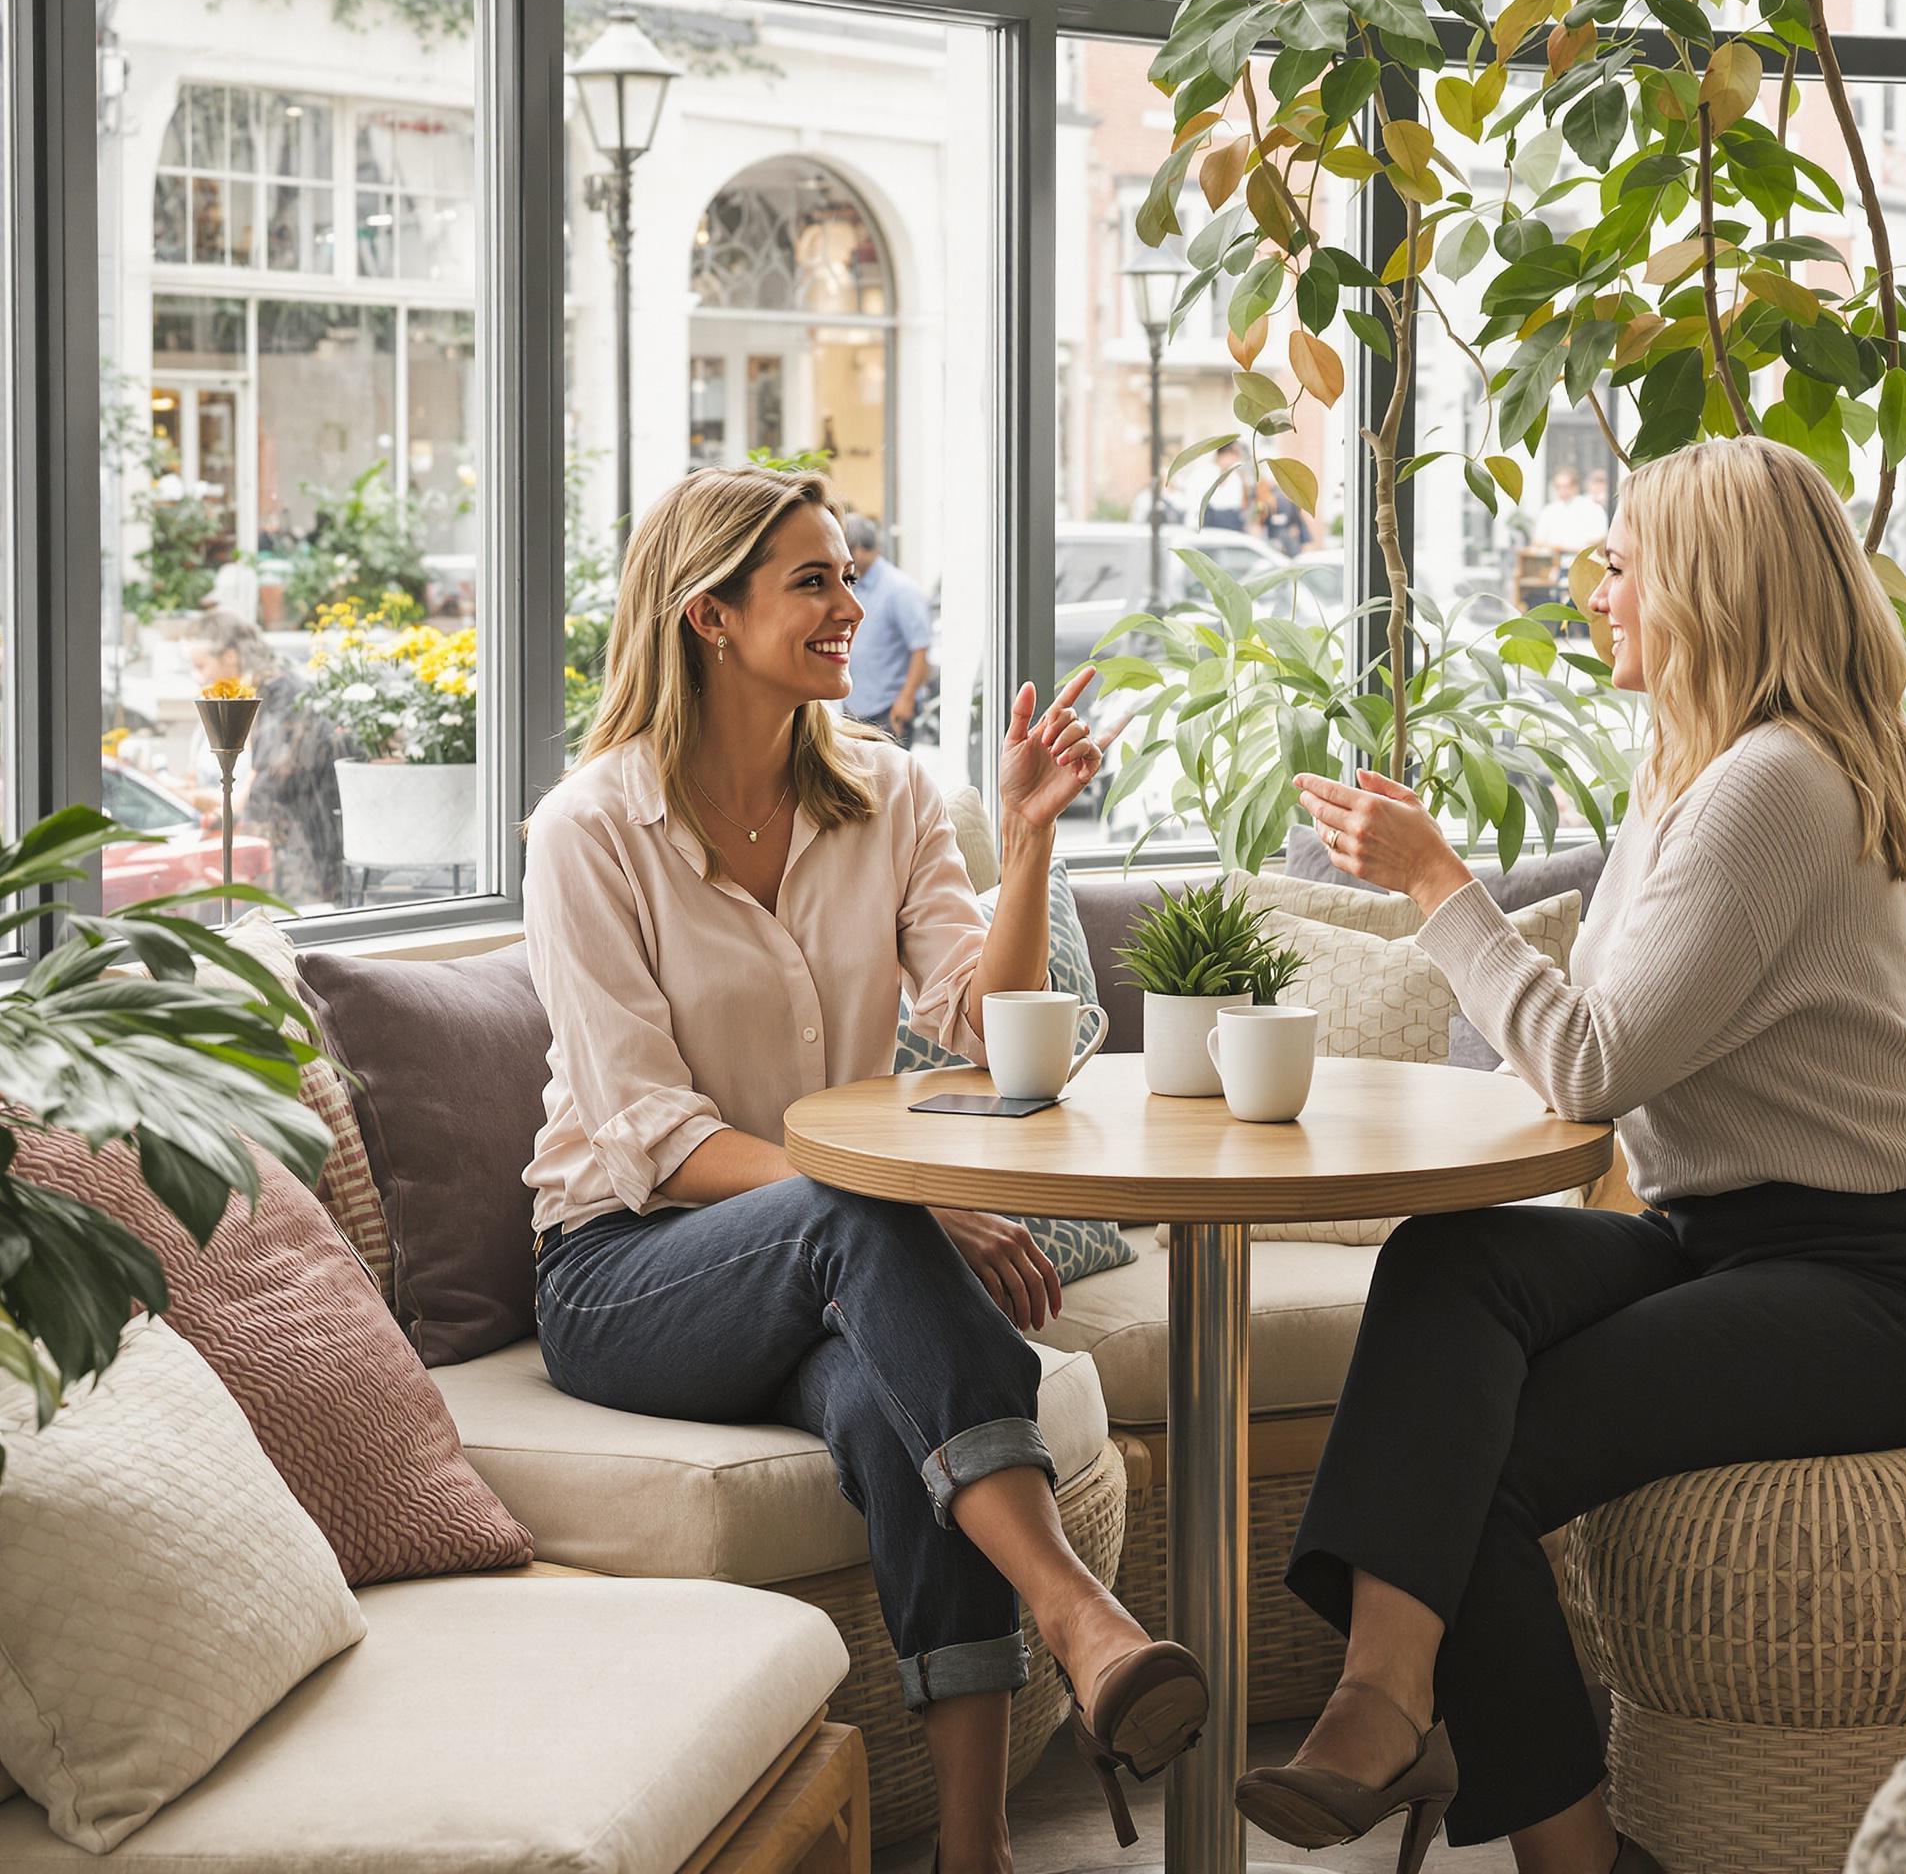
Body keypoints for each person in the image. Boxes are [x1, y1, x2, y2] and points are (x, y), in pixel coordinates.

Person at [1256, 436, 1906, 1874]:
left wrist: (1434, 882)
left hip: (1882, 1276)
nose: (1594, 589)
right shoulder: (1690, 778)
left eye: (1620, 562)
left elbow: (1593, 1061)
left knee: (1474, 1461)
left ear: (1709, 587)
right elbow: (1602, 1048)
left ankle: (1554, 1841)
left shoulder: (1774, 787)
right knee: (1453, 1263)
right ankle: (1385, 1692)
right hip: (1724, 1236)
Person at [522, 466, 1209, 1873]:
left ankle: (974, 1850)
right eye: (816, 583)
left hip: (831, 1268)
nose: (858, 608)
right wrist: (908, 1205)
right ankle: (1080, 1617)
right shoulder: (588, 831)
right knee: (860, 1210)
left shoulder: (886, 795)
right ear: (708, 615)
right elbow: (654, 1136)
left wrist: (1023, 842)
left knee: (897, 1422)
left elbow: (994, 1032)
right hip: (627, 1275)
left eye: (853, 573)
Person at [185, 609, 351, 909]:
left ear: (231, 657)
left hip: (302, 862)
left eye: (201, 665)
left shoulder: (280, 696)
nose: (197, 677)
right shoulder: (255, 696)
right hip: (288, 856)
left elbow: (272, 781)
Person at [844, 510, 932, 745]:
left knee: (890, 780)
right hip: (855, 711)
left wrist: (906, 699)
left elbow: (921, 649)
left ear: (860, 549)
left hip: (889, 713)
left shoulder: (899, 590)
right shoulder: (854, 585)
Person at [1531, 465, 1607, 555]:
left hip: (1583, 561)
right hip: (1554, 563)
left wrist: (1569, 548)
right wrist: (1556, 547)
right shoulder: (1549, 510)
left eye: (1565, 486)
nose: (1562, 491)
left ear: (1575, 486)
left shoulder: (1593, 508)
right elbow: (1537, 541)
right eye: (1558, 487)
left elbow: (1600, 538)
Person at [1205, 440, 1251, 533]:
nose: (1238, 458)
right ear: (1223, 455)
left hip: (1234, 519)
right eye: (1235, 454)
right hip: (1214, 521)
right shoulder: (1208, 472)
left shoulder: (1237, 475)